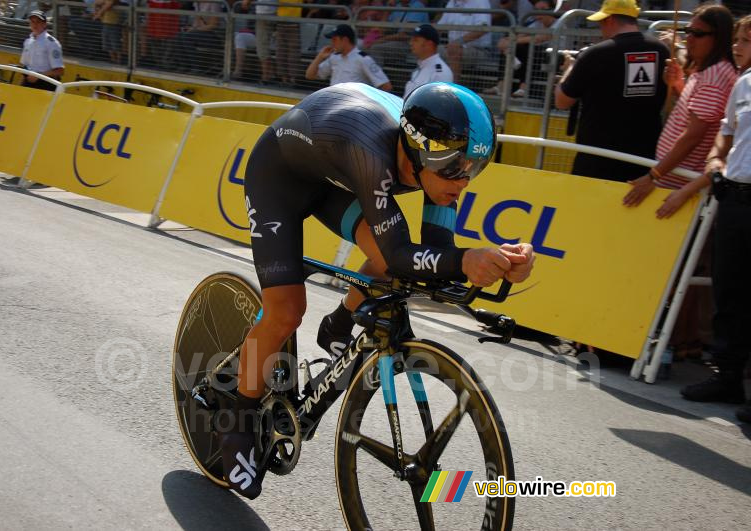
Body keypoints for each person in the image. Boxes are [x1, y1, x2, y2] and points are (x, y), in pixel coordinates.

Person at [217, 82, 535, 499]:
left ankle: (339, 323)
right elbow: (407, 253)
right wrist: (466, 260)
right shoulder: (373, 148)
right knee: (286, 311)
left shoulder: (437, 167)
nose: (463, 182)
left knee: (390, 261)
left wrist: (498, 263)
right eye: (456, 169)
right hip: (279, 176)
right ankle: (237, 423)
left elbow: (431, 258)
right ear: (420, 150)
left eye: (473, 170)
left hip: (333, 177)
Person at [676, 16, 750, 422]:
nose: (739, 46)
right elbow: (726, 131)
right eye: (737, 39)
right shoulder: (743, 83)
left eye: (748, 40)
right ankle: (727, 376)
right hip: (735, 197)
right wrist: (716, 158)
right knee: (729, 292)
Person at [623, 3, 737, 203]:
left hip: (678, 188)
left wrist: (654, 175)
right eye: (688, 31)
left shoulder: (715, 75)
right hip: (674, 180)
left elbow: (693, 135)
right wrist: (677, 85)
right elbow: (697, 113)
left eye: (698, 34)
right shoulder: (708, 70)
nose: (689, 39)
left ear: (718, 38)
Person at [555, 0, 669, 182]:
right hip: (644, 159)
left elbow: (562, 101)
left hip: (596, 159)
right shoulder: (662, 50)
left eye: (601, 22)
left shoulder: (594, 54)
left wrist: (568, 69)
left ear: (610, 20)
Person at [487, 0, 555, 98]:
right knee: (514, 47)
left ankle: (524, 88)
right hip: (534, 57)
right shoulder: (535, 24)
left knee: (530, 49)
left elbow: (540, 38)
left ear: (552, 10)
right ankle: (501, 86)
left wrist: (512, 41)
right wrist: (505, 40)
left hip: (554, 57)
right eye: (536, 10)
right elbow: (519, 35)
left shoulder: (559, 23)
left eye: (543, 9)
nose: (539, 13)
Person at [305, 24, 393, 91]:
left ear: (345, 40)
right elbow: (310, 75)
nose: (332, 43)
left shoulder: (363, 59)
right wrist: (320, 57)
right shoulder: (334, 57)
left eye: (335, 39)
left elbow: (386, 86)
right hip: (333, 102)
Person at [436, 0, 493, 81]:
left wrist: (458, 42)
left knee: (454, 49)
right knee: (425, 46)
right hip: (451, 47)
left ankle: (453, 90)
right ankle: (425, 86)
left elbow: (483, 29)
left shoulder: (481, 2)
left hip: (480, 50)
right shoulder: (451, 2)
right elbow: (440, 26)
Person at [364, 0, 430, 67]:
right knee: (364, 47)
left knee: (376, 48)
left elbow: (404, 35)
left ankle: (376, 76)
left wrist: (380, 40)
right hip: (396, 41)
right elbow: (382, 29)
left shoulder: (417, 6)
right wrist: (387, 11)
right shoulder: (398, 6)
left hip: (411, 43)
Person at [19, 10, 65, 91]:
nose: (35, 24)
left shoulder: (52, 43)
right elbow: (24, 65)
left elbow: (59, 71)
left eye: (38, 22)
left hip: (46, 84)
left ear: (44, 24)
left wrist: (38, 76)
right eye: (32, 22)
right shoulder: (28, 42)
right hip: (29, 82)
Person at [403, 23, 453, 96]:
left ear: (429, 44)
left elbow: (441, 103)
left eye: (416, 40)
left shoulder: (440, 73)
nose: (411, 43)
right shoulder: (419, 69)